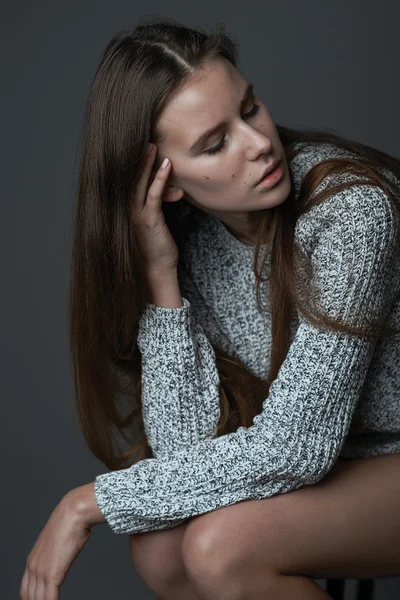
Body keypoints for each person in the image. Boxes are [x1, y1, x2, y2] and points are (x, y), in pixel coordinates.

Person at [20, 16, 400, 600]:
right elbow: (188, 457)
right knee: (161, 547)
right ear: (164, 179)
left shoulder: (351, 214)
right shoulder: (191, 244)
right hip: (341, 467)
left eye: (248, 109)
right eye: (215, 143)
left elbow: (294, 448)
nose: (259, 144)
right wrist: (160, 276)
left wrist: (86, 503)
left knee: (218, 548)